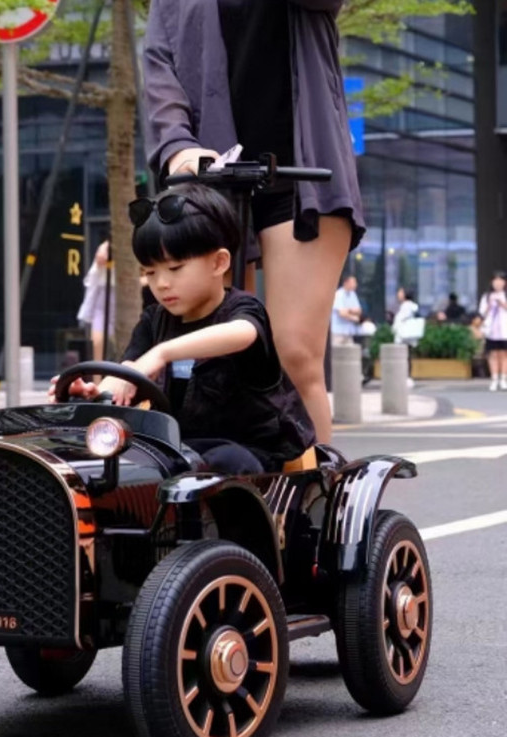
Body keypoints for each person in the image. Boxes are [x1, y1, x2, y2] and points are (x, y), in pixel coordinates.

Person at [143, 0, 365, 443]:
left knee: (293, 355)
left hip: (301, 177)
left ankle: (312, 498)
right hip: (212, 180)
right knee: (207, 354)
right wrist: (178, 145)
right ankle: (225, 494)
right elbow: (159, 63)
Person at [50, 183, 316, 474]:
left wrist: (163, 353)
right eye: (150, 272)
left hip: (250, 455)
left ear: (218, 262)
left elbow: (243, 333)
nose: (161, 283)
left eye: (175, 268)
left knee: (225, 463)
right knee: (114, 464)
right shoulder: (154, 320)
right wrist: (92, 394)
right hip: (178, 451)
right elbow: (127, 374)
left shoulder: (243, 310)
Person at [76, 240, 114, 360]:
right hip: (103, 300)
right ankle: (97, 378)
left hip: (122, 300)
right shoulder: (106, 247)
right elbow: (100, 259)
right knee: (97, 344)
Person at [478, 271, 507, 391]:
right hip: (492, 330)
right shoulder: (487, 296)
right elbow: (482, 313)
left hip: (505, 330)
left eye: (501, 280)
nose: (498, 283)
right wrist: (489, 305)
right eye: (495, 280)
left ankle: (503, 379)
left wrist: (502, 304)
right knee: (493, 354)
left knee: (504, 354)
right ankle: (494, 378)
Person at [331, 274, 362, 345]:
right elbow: (342, 313)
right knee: (336, 353)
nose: (355, 285)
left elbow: (359, 310)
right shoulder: (338, 294)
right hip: (338, 332)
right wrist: (353, 318)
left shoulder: (353, 294)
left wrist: (349, 310)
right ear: (346, 282)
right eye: (353, 282)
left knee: (350, 353)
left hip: (349, 331)